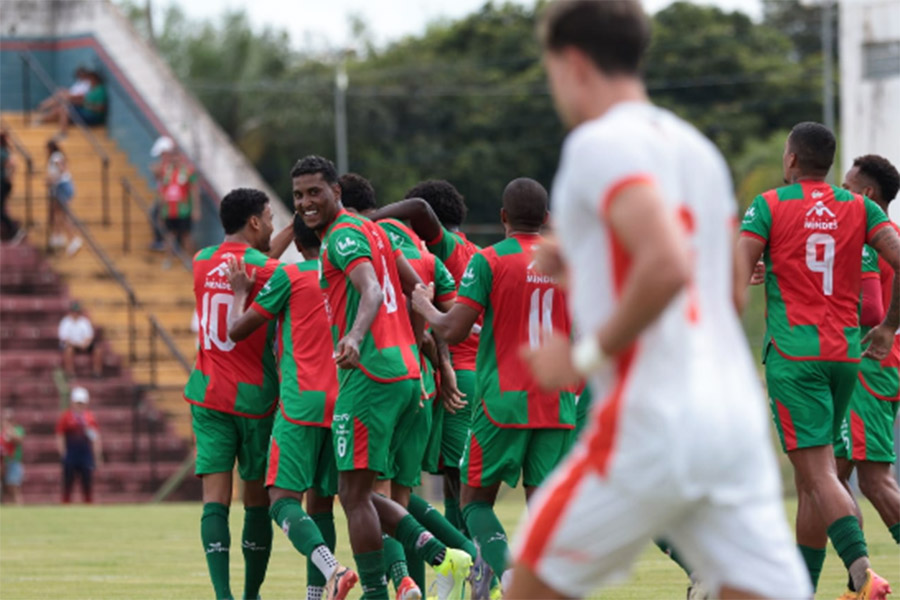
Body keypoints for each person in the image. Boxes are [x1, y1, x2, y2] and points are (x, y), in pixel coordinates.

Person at [506, 2, 809, 599]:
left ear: (571, 63)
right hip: (731, 420)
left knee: (529, 585)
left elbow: (666, 262)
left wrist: (585, 357)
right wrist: (583, 268)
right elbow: (724, 290)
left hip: (652, 418)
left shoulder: (596, 144)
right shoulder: (694, 148)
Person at [291, 155, 472, 600]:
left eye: (315, 192)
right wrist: (439, 353)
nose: (306, 203)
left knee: (352, 495)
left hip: (370, 376)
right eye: (298, 195)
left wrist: (354, 336)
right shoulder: (379, 230)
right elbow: (418, 292)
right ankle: (441, 554)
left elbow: (371, 289)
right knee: (367, 492)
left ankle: (379, 590)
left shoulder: (343, 237)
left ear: (337, 191)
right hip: (410, 376)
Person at [738, 122, 899, 598]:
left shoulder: (769, 205)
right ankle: (801, 589)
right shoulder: (861, 208)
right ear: (827, 164)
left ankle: (862, 572)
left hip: (795, 356)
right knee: (818, 477)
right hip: (845, 359)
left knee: (820, 475)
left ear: (790, 160)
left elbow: (733, 268)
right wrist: (889, 326)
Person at [410, 177, 577, 597]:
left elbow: (453, 328)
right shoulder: (568, 262)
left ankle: (508, 576)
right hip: (557, 400)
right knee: (543, 510)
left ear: (503, 217)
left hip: (503, 401)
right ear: (548, 220)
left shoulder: (490, 260)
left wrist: (424, 304)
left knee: (475, 502)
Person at [339, 172, 483, 599]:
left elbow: (430, 309)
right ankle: (443, 577)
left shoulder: (421, 245)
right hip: (436, 378)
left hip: (431, 375)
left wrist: (366, 222)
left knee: (379, 494)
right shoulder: (455, 253)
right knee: (419, 491)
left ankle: (475, 568)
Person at [226, 214, 358, 600]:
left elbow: (238, 330)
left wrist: (239, 292)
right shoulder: (350, 276)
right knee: (322, 506)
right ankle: (316, 595)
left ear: (299, 246)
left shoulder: (292, 276)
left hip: (300, 404)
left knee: (281, 501)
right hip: (344, 403)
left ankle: (334, 568)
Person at [183, 187, 293, 600]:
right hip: (253, 399)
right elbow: (269, 267)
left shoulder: (200, 261)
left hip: (207, 394)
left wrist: (279, 236)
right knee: (256, 500)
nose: (271, 225)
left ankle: (223, 595)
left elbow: (260, 257)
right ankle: (250, 595)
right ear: (254, 222)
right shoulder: (269, 273)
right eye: (268, 218)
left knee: (215, 498)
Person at [369, 180, 481, 539]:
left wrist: (371, 218)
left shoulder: (442, 247)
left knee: (447, 481)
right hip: (479, 373)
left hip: (455, 375)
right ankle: (467, 568)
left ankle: (475, 562)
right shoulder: (476, 251)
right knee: (449, 479)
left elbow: (417, 207)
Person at [833, 156, 900, 554]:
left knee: (874, 480)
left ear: (867, 194)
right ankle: (862, 581)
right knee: (827, 478)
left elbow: (871, 310)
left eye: (846, 187)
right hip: (875, 365)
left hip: (867, 369)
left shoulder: (871, 239)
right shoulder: (891, 234)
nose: (840, 194)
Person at [150, 136, 200, 253]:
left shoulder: (188, 171)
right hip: (169, 209)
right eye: (172, 156)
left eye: (176, 156)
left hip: (184, 209)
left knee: (186, 235)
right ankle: (170, 262)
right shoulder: (166, 171)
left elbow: (194, 190)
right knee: (170, 235)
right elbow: (162, 189)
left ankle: (191, 261)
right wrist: (162, 209)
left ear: (181, 157)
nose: (174, 159)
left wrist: (195, 209)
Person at [55, 386, 102, 504]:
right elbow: (60, 435)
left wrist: (97, 456)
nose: (79, 406)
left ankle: (88, 505)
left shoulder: (89, 418)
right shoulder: (66, 417)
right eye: (77, 403)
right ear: (73, 402)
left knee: (87, 483)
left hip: (85, 454)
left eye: (82, 403)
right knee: (67, 484)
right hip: (71, 453)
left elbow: (95, 437)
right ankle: (65, 505)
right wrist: (63, 453)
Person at [42, 69, 107, 137]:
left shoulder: (100, 91)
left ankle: (63, 133)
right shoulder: (92, 90)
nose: (88, 82)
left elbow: (101, 108)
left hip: (92, 116)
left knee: (64, 109)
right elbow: (85, 102)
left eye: (89, 79)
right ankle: (42, 118)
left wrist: (84, 104)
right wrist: (77, 103)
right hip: (85, 111)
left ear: (94, 79)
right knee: (61, 107)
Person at [45, 140, 81, 256]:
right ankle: (57, 235)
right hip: (61, 186)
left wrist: (53, 179)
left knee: (62, 214)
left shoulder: (55, 157)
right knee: (57, 211)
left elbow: (62, 168)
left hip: (62, 186)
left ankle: (72, 238)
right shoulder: (56, 157)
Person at [58, 301, 104, 379]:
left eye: (77, 312)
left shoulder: (84, 321)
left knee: (98, 350)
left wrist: (86, 344)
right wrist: (77, 345)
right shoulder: (65, 322)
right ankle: (70, 373)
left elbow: (89, 336)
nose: (75, 314)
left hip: (83, 344)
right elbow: (65, 339)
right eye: (74, 311)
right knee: (69, 350)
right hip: (71, 344)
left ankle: (97, 372)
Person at [1, 130, 24, 243]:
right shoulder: (5, 151)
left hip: (3, 184)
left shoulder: (2, 152)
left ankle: (15, 231)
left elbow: (12, 164)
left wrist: (8, 176)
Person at [1, 410, 25, 505]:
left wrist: (10, 431)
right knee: (4, 489)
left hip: (13, 461)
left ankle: (19, 508)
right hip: (2, 463)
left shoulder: (18, 430)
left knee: (14, 487)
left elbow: (18, 440)